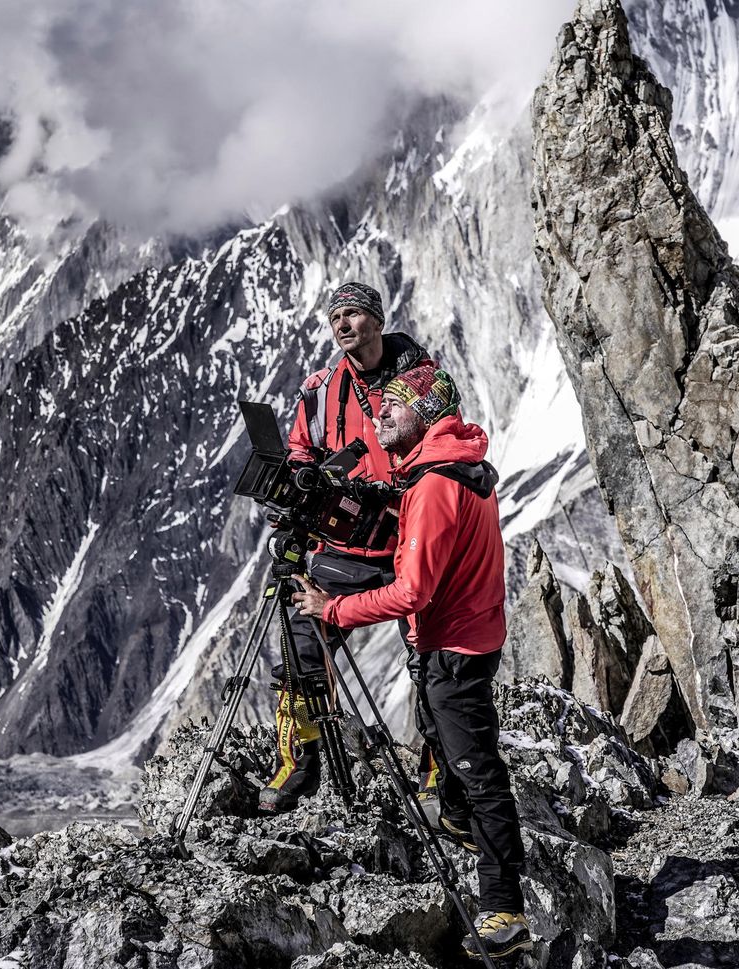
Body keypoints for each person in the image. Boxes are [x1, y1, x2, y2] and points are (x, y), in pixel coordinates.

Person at [292, 363, 531, 961]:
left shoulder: (431, 487)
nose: (380, 414)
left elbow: (410, 594)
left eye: (393, 407)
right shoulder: (462, 465)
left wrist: (334, 609)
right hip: (473, 633)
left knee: (478, 769)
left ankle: (503, 906)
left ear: (423, 415)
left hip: (452, 643)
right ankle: (452, 816)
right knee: (444, 739)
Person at [259, 281, 428, 813]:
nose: (342, 325)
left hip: (410, 540)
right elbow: (300, 447)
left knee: (431, 659)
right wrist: (305, 482)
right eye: (336, 318)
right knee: (301, 646)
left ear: (377, 320)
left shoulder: (421, 380)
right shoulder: (322, 388)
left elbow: (443, 441)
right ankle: (298, 763)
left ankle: (437, 769)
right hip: (344, 545)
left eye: (353, 314)